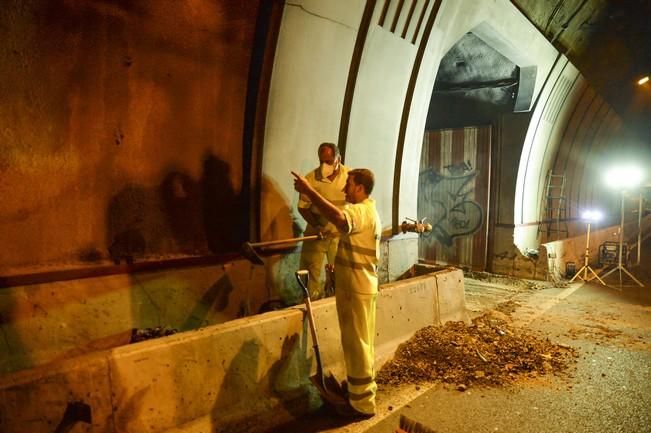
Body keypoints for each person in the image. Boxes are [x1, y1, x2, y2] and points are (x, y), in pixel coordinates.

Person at [292, 167, 381, 419]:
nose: (344, 189)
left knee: (358, 345)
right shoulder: (368, 210)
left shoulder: (361, 211)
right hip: (357, 286)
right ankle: (358, 391)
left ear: (360, 188)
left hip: (357, 288)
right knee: (357, 344)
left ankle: (363, 404)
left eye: (349, 185)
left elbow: (341, 217)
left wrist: (310, 191)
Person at [296, 143, 349, 300]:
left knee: (341, 276)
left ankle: (336, 310)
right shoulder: (311, 179)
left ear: (338, 159)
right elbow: (303, 208)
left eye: (328, 161)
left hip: (340, 235)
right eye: (321, 161)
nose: (324, 165)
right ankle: (310, 311)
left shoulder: (349, 176)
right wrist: (316, 225)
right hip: (317, 233)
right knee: (310, 277)